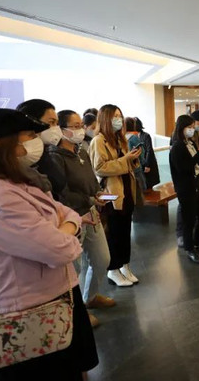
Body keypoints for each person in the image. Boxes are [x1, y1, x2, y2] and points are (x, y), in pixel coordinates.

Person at [0, 109, 98, 379]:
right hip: (31, 315)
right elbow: (60, 250)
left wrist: (64, 227)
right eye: (28, 137)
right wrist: (66, 230)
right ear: (2, 143)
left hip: (57, 300)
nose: (32, 145)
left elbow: (65, 212)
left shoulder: (16, 183)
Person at [47, 110, 115, 325]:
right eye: (75, 126)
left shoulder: (81, 152)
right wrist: (89, 199)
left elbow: (92, 181)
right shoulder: (54, 157)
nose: (80, 130)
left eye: (80, 126)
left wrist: (98, 194)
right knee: (73, 268)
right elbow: (62, 193)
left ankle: (91, 296)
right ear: (62, 130)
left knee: (102, 259)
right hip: (71, 218)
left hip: (91, 212)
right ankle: (75, 314)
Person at [88, 104, 142, 287]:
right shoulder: (99, 141)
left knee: (125, 231)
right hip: (111, 194)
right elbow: (100, 168)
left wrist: (133, 159)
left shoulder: (119, 139)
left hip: (126, 190)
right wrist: (125, 160)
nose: (119, 119)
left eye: (120, 115)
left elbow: (125, 163)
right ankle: (113, 269)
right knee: (114, 233)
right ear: (106, 119)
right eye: (115, 116)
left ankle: (124, 265)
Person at [169, 115, 199, 264]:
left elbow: (197, 162)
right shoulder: (177, 147)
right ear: (181, 128)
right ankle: (190, 249)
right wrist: (198, 155)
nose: (192, 130)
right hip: (186, 188)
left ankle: (198, 245)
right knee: (189, 220)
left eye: (193, 127)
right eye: (189, 127)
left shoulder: (191, 143)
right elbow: (184, 168)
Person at [136, 118, 160, 191]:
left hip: (147, 163)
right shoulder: (133, 137)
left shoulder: (146, 136)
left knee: (149, 184)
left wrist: (147, 165)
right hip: (140, 165)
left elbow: (149, 150)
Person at [124, 117, 147, 195]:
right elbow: (141, 152)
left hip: (126, 168)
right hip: (136, 168)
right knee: (140, 191)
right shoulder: (134, 137)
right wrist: (143, 162)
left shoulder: (122, 137)